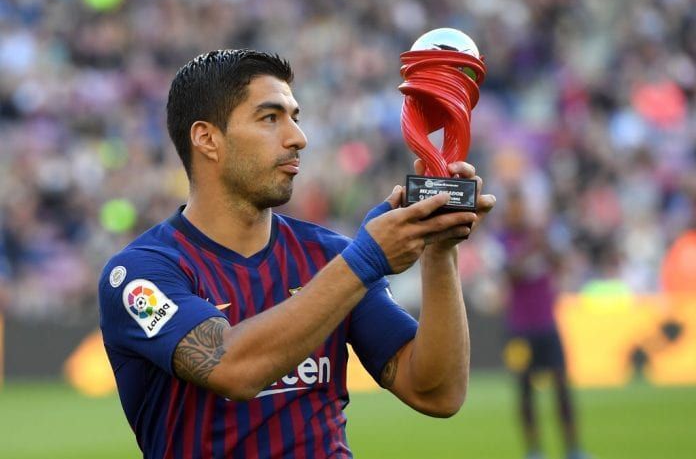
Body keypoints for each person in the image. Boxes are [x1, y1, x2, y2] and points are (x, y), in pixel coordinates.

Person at [98, 49, 495, 459]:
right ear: (207, 138)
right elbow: (230, 368)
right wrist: (365, 260)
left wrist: (440, 250)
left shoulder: (328, 256)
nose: (298, 138)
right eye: (270, 118)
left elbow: (437, 393)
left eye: (295, 117)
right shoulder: (139, 274)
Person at [498, 188, 587, 459]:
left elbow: (561, 262)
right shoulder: (503, 240)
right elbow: (509, 273)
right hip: (520, 328)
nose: (518, 213)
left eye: (520, 207)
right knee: (525, 389)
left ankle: (573, 448)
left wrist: (544, 243)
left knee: (562, 386)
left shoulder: (541, 236)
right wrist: (531, 247)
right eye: (513, 208)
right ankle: (534, 450)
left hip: (547, 323)